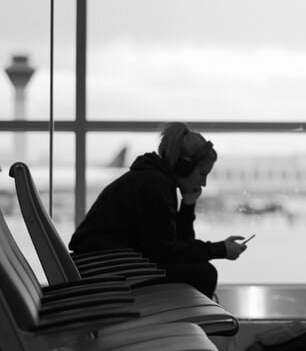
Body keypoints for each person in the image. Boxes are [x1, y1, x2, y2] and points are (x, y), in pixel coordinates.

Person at [68, 122, 247, 298]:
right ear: (184, 166)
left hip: (108, 265)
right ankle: (181, 326)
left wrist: (188, 204)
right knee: (204, 274)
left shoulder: (154, 179)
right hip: (106, 270)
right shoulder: (154, 185)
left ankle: (181, 325)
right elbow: (167, 251)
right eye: (202, 174)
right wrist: (220, 249)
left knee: (199, 269)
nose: (204, 183)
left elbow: (178, 243)